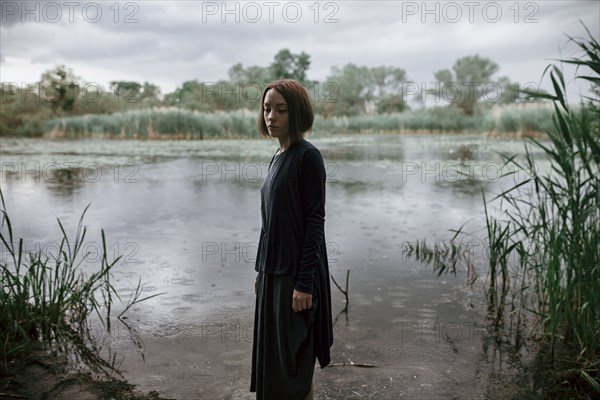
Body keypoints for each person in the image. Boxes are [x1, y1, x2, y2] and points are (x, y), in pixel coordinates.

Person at [250, 79, 333, 400]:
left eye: (280, 110)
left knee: (295, 364)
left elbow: (315, 223)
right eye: (267, 108)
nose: (271, 116)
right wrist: (261, 271)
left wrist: (304, 284)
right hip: (273, 273)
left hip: (295, 277)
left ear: (296, 113)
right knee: (275, 361)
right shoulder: (277, 157)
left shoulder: (307, 157)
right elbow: (268, 222)